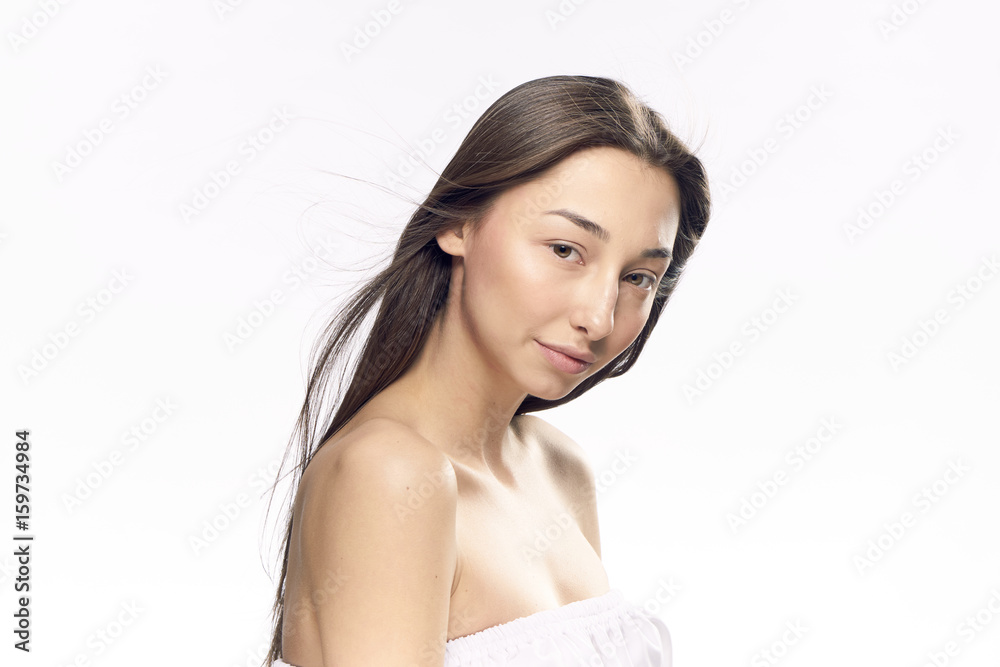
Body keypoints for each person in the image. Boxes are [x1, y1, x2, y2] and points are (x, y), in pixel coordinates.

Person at [262, 74, 711, 667]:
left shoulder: (559, 467)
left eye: (638, 278)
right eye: (565, 250)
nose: (599, 317)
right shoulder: (391, 473)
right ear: (459, 223)